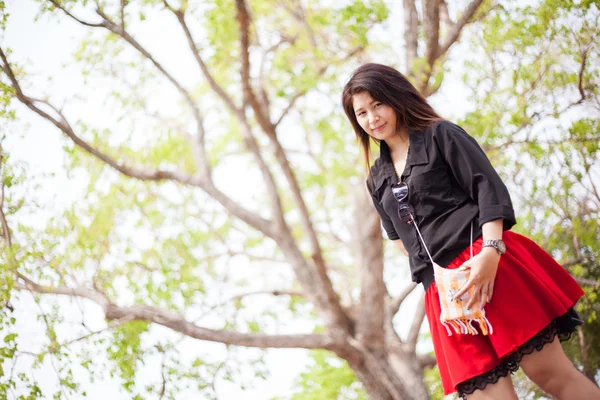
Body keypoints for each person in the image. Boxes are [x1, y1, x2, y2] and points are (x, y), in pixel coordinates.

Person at [341, 63, 600, 400]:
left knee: (551, 376)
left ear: (396, 98)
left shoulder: (440, 134)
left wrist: (490, 252)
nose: (372, 117)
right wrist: (441, 278)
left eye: (378, 104)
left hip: (486, 262)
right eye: (361, 113)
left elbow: (488, 191)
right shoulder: (376, 179)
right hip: (443, 293)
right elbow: (400, 240)